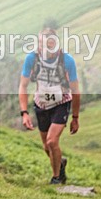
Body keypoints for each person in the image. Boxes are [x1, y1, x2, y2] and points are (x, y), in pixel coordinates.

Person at [18, 27, 81, 184]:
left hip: (61, 102)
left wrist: (75, 117)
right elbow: (23, 86)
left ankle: (56, 178)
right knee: (47, 147)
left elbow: (75, 90)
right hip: (42, 104)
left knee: (52, 141)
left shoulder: (67, 60)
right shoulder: (31, 59)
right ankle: (60, 163)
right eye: (40, 44)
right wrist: (24, 112)